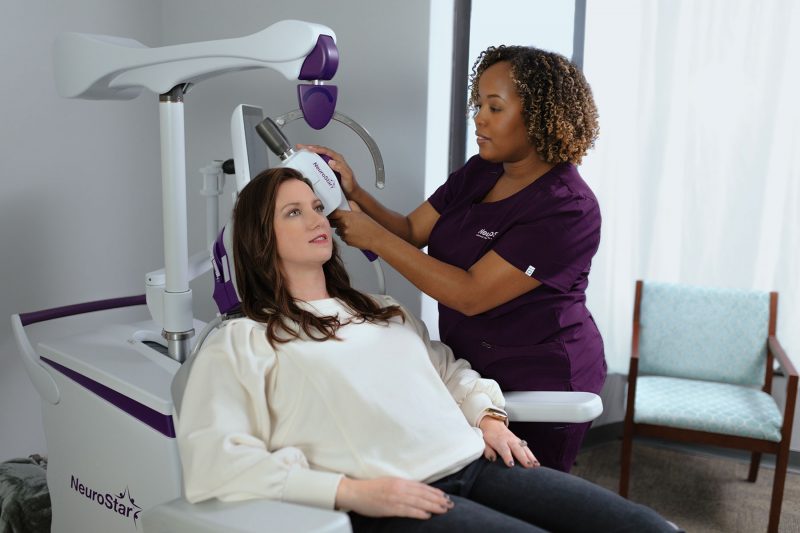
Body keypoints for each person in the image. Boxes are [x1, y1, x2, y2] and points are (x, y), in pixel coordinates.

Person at [175, 168, 679, 532]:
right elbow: (215, 460)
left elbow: (448, 369)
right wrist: (351, 493)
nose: (317, 218)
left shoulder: (380, 308)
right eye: (293, 211)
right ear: (260, 236)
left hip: (475, 462)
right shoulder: (244, 338)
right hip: (395, 497)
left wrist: (487, 417)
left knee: (646, 527)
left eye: (316, 206)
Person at [301, 45, 605, 473]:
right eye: (479, 103)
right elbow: (410, 230)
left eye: (494, 107)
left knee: (527, 490)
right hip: (473, 367)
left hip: (541, 377)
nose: (479, 117)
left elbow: (470, 294)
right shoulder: (481, 171)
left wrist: (372, 238)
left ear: (538, 116)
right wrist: (355, 193)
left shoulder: (568, 209)